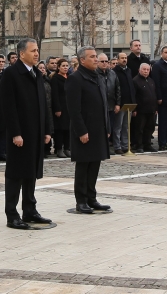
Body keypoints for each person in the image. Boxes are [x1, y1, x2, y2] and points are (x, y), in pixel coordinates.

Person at [1, 39, 52, 229]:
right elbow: (8, 106)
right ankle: (12, 214)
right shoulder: (11, 74)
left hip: (36, 132)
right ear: (22, 54)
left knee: (31, 173)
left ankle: (30, 210)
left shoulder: (37, 74)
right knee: (16, 174)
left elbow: (44, 104)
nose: (37, 54)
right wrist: (15, 133)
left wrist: (47, 130)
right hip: (20, 134)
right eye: (33, 51)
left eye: (37, 50)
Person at [66, 46, 111, 214]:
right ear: (82, 60)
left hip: (98, 129)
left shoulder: (98, 77)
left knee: (95, 165)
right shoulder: (75, 79)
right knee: (83, 166)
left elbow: (104, 104)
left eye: (96, 56)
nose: (96, 59)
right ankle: (81, 200)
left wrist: (107, 126)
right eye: (92, 57)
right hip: (84, 131)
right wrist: (81, 131)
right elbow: (74, 109)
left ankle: (92, 198)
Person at [111, 52, 135, 154]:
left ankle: (125, 145)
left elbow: (131, 88)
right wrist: (117, 103)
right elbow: (115, 89)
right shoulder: (114, 72)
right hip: (120, 104)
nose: (124, 60)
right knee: (118, 126)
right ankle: (117, 146)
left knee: (126, 126)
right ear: (118, 60)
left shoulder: (129, 70)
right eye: (122, 58)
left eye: (125, 58)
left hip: (129, 104)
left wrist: (133, 104)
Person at [97, 53, 122, 147]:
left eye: (106, 61)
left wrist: (118, 104)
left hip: (111, 105)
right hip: (100, 107)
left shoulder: (112, 73)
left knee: (110, 126)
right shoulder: (95, 74)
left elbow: (118, 89)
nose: (104, 63)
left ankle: (108, 145)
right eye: (102, 61)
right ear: (98, 62)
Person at [131, 63, 157, 152]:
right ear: (139, 70)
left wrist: (156, 108)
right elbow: (133, 96)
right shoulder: (135, 81)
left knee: (150, 128)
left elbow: (154, 95)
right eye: (144, 69)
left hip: (151, 109)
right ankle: (139, 145)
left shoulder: (151, 81)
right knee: (139, 129)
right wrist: (134, 109)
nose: (146, 71)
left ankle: (147, 144)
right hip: (140, 110)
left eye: (148, 70)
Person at [51, 58, 71, 158]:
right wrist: (57, 109)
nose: (65, 67)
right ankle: (59, 149)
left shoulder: (70, 77)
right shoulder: (55, 78)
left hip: (69, 107)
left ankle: (67, 148)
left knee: (68, 129)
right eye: (63, 66)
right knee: (60, 129)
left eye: (67, 66)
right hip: (60, 107)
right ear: (58, 67)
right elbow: (55, 95)